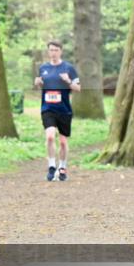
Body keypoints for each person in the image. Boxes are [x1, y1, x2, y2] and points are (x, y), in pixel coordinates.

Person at [34, 41, 81, 182]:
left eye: (56, 50)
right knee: (49, 136)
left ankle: (62, 167)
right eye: (51, 50)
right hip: (47, 108)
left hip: (64, 110)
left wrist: (68, 81)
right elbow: (41, 86)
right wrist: (38, 84)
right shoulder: (43, 68)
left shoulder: (68, 68)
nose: (53, 52)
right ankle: (51, 166)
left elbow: (78, 88)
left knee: (62, 142)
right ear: (48, 52)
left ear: (61, 51)